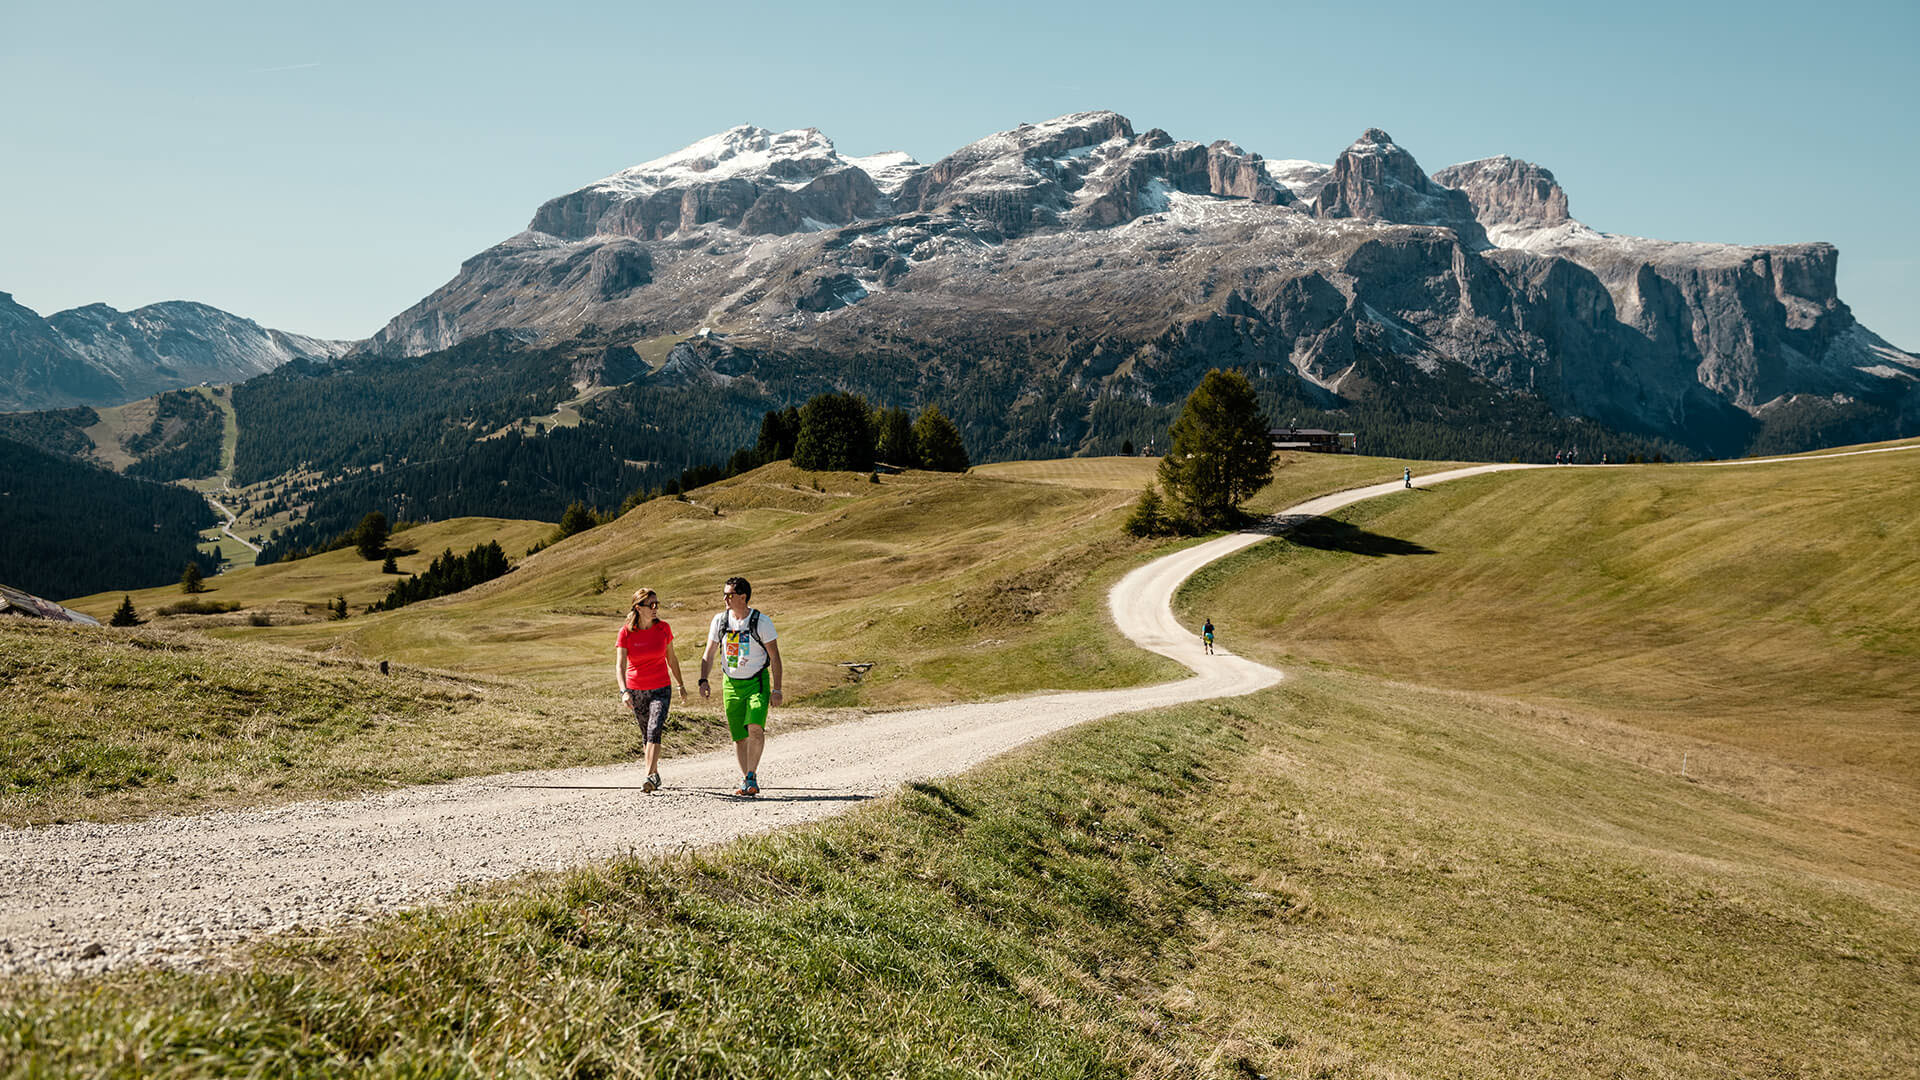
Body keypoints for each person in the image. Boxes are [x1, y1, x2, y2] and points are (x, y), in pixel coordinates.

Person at [700, 576, 783, 797]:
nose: (725, 598)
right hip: (731, 684)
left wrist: (777, 689)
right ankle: (747, 778)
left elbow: (775, 657)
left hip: (756, 682)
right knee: (739, 736)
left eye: (730, 594)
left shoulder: (761, 622)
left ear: (743, 597)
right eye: (724, 594)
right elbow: (709, 653)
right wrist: (703, 679)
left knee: (755, 728)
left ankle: (751, 777)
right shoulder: (720, 621)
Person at [616, 587, 689, 793]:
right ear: (638, 608)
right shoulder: (626, 633)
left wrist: (680, 684)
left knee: (655, 728)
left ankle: (648, 776)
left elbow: (671, 659)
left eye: (657, 604)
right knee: (646, 734)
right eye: (651, 605)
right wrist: (624, 692)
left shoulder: (664, 628)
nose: (656, 608)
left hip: (661, 688)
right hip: (636, 689)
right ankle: (654, 773)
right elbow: (620, 665)